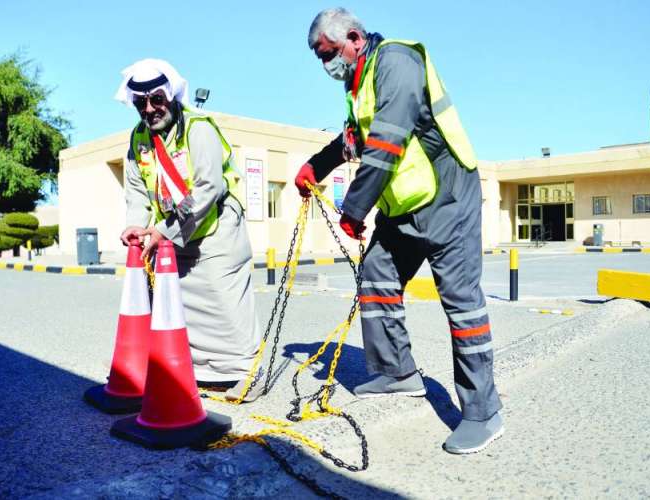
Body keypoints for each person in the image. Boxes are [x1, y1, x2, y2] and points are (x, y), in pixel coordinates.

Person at [295, 8, 503, 454]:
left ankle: (483, 412)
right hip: (403, 205)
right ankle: (397, 373)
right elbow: (354, 141)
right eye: (319, 58)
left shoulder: (396, 62)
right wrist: (315, 165)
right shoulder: (360, 84)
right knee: (376, 277)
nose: (326, 64)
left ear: (354, 38)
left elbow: (386, 144)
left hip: (447, 197)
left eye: (329, 53)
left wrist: (353, 211)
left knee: (461, 302)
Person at [115, 59, 262, 401]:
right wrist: (136, 225)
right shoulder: (138, 138)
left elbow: (209, 187)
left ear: (171, 95)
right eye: (140, 103)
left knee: (224, 304)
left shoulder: (198, 128)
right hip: (173, 232)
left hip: (216, 228)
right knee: (182, 307)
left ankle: (246, 373)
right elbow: (136, 191)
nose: (149, 109)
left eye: (156, 100)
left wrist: (163, 231)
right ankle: (201, 374)